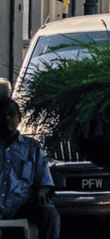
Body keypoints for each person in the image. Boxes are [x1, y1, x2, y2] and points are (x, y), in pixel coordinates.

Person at [0, 98, 60, 239]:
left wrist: (41, 194)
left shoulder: (32, 147)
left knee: (49, 214)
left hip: (22, 206)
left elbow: (44, 182)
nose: (6, 119)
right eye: (2, 115)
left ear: (19, 118)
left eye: (11, 114)